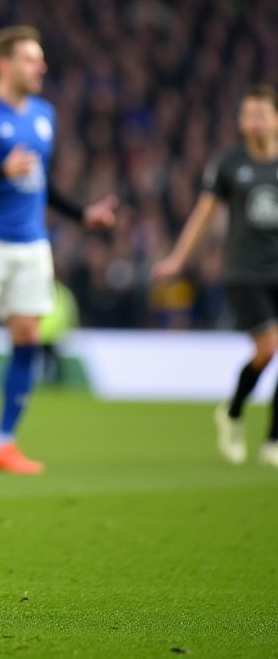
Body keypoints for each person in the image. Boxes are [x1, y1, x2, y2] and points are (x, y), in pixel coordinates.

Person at [0, 26, 117, 474]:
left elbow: (39, 181)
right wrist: (0, 169)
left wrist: (81, 215)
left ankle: (3, 443)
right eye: (31, 59)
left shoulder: (44, 115)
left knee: (28, 337)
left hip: (32, 241)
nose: (42, 67)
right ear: (4, 64)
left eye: (40, 59)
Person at [153, 85, 278, 467]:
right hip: (244, 271)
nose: (251, 123)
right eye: (246, 115)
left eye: (259, 114)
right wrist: (178, 259)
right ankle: (234, 412)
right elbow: (204, 215)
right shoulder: (229, 163)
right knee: (268, 349)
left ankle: (273, 440)